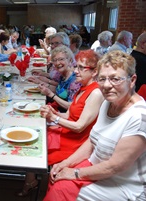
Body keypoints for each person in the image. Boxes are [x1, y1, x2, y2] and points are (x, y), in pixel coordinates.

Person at [44, 50, 146, 201]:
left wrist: (75, 173)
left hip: (122, 183)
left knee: (61, 188)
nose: (106, 85)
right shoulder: (107, 103)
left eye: (115, 79)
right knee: (57, 176)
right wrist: (65, 163)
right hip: (96, 165)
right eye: (102, 79)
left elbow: (115, 167)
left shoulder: (139, 117)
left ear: (132, 80)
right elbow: (92, 141)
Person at [17, 49, 104, 197]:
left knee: (35, 144)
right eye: (76, 66)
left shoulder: (96, 92)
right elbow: (69, 114)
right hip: (69, 133)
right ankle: (31, 179)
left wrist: (54, 118)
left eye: (81, 68)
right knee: (34, 133)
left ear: (95, 72)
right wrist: (53, 113)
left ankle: (32, 180)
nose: (76, 71)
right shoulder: (82, 87)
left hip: (76, 141)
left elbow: (79, 127)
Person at [38, 46, 81, 112]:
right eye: (55, 60)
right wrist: (45, 87)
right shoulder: (63, 75)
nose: (58, 63)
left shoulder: (74, 80)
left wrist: (51, 94)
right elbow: (61, 91)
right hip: (58, 109)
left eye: (61, 59)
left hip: (65, 115)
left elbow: (71, 106)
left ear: (70, 60)